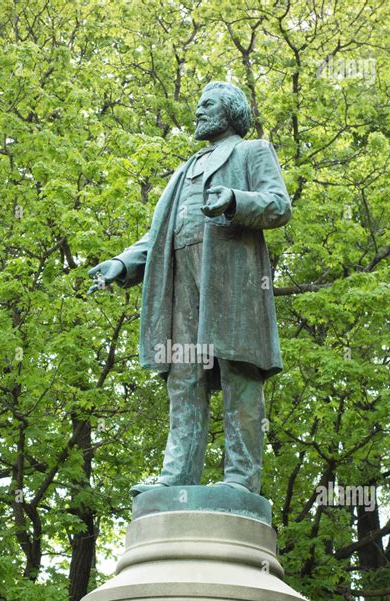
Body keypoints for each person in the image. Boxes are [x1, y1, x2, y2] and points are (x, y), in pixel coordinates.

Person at [88, 81, 291, 495]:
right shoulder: (184, 171)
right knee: (183, 379)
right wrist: (121, 263)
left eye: (207, 105)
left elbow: (278, 205)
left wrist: (235, 200)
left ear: (230, 111)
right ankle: (176, 478)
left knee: (238, 375)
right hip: (180, 282)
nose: (197, 112)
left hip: (231, 282)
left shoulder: (253, 151)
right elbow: (158, 236)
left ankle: (240, 481)